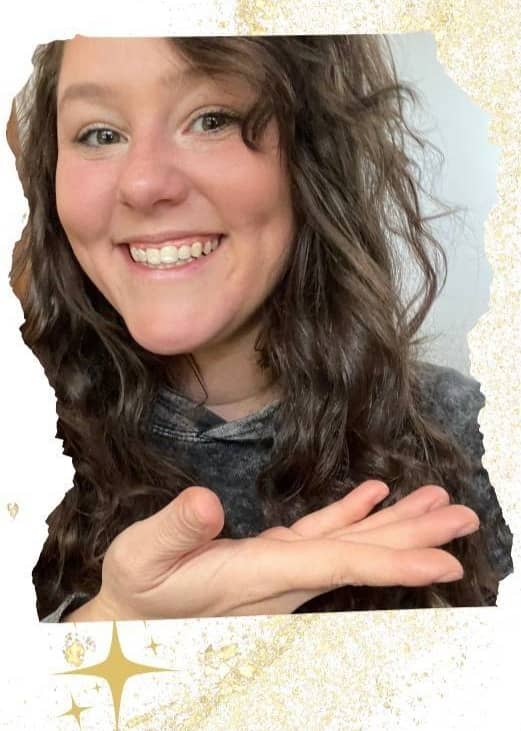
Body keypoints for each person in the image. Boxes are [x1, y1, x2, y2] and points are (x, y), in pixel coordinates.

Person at [10, 34, 512, 623]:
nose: (143, 185)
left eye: (212, 120)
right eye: (100, 134)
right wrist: (109, 631)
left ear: (312, 152)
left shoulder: (472, 431)